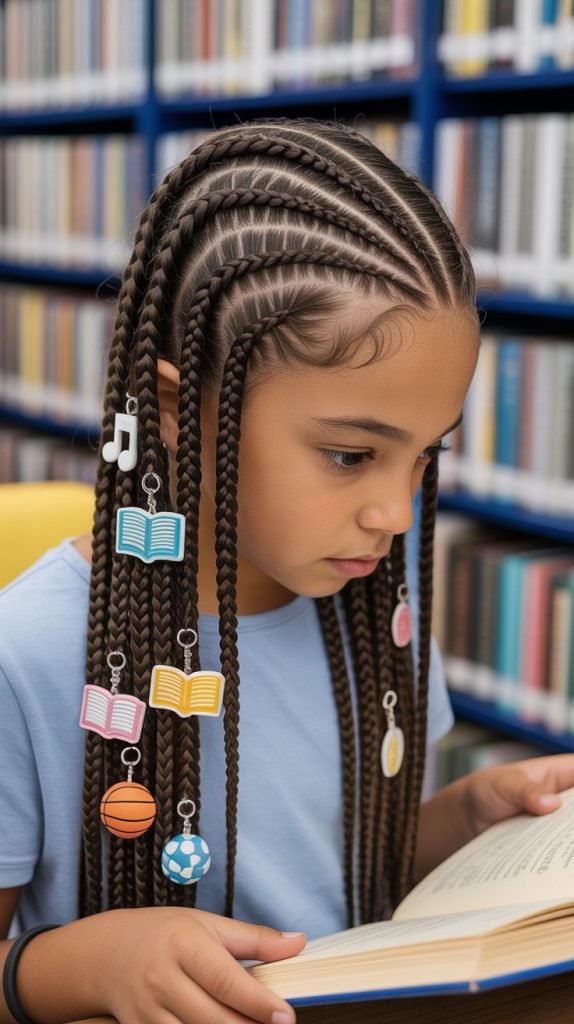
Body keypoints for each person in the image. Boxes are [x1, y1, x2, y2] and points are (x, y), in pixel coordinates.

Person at [1, 118, 573, 1024]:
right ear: (180, 412)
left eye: (426, 455)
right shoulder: (26, 656)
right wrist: (88, 964)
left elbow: (348, 866)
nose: (396, 514)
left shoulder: (374, 604)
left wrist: (466, 818)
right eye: (351, 455)